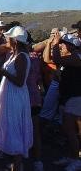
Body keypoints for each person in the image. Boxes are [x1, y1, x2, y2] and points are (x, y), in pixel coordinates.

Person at [0, 26, 33, 171]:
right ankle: (13, 163)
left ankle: (17, 165)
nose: (7, 39)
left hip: (15, 96)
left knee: (15, 128)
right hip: (9, 94)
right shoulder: (14, 54)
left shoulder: (21, 57)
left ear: (15, 40)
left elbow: (20, 81)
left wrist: (2, 71)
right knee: (9, 126)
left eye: (9, 37)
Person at [50, 32, 81, 171]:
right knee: (68, 130)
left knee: (70, 130)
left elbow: (55, 58)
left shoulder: (77, 57)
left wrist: (55, 42)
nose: (62, 45)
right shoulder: (72, 57)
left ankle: (76, 159)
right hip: (69, 97)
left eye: (64, 43)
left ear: (71, 46)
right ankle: (71, 156)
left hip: (75, 97)